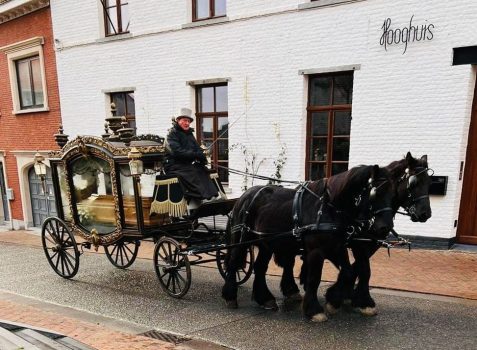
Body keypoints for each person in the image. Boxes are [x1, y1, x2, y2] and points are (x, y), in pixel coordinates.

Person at [163, 108, 218, 211]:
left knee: (202, 169)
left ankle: (212, 196)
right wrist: (195, 155)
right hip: (173, 165)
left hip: (185, 164)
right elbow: (176, 152)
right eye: (184, 120)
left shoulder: (189, 134)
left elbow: (197, 149)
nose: (187, 123)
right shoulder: (171, 134)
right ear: (178, 121)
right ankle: (201, 197)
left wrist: (202, 157)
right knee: (192, 171)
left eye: (188, 121)